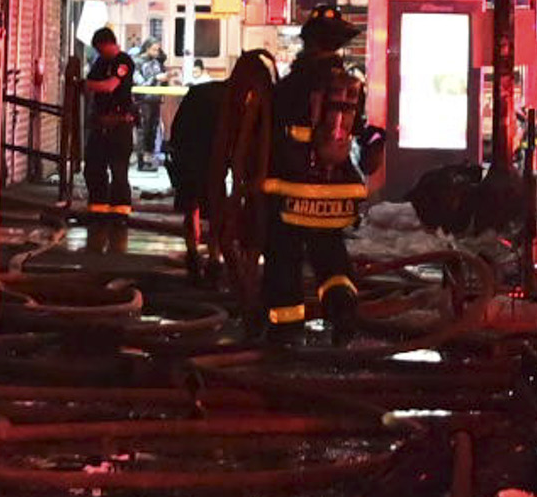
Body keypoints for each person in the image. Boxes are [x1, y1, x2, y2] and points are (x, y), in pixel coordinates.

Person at [250, 21, 378, 334]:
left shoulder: (293, 84)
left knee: (284, 257)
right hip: (336, 191)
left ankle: (286, 329)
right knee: (331, 256)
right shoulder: (350, 85)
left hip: (291, 188)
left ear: (309, 43)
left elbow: (267, 128)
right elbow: (357, 128)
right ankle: (343, 312)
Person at [162, 49, 253, 288]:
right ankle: (214, 260)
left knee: (191, 207)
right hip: (212, 162)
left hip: (188, 157)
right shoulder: (235, 102)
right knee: (215, 212)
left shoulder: (202, 92)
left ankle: (193, 255)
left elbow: (179, 127)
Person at [72, 31, 142, 238]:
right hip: (100, 123)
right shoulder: (100, 63)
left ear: (108, 44)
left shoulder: (124, 61)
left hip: (119, 124)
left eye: (100, 48)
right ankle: (98, 209)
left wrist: (84, 84)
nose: (99, 52)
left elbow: (110, 86)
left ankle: (120, 213)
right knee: (94, 167)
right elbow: (92, 84)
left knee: (118, 170)